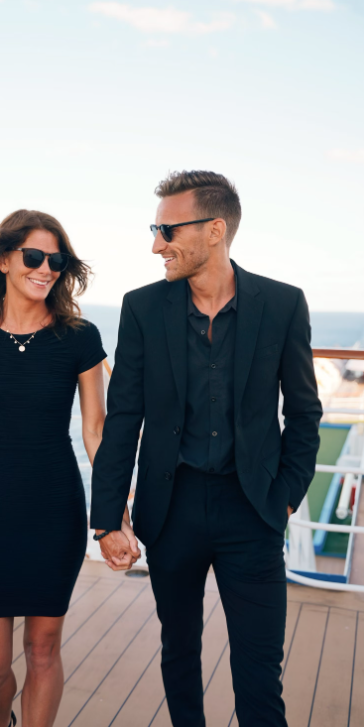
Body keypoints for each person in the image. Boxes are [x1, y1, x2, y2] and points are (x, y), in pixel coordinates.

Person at [90, 171, 322, 727]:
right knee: (179, 653)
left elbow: (305, 412)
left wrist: (285, 496)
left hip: (254, 508)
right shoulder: (143, 308)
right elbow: (124, 419)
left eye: (167, 230)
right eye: (155, 228)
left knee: (260, 668)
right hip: (172, 510)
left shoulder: (283, 304)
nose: (156, 245)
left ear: (215, 229)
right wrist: (106, 520)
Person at [0, 210, 108, 727]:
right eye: (34, 256)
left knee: (42, 649)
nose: (46, 268)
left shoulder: (80, 337)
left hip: (56, 507)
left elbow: (96, 431)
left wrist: (115, 508)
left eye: (56, 260)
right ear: (6, 260)